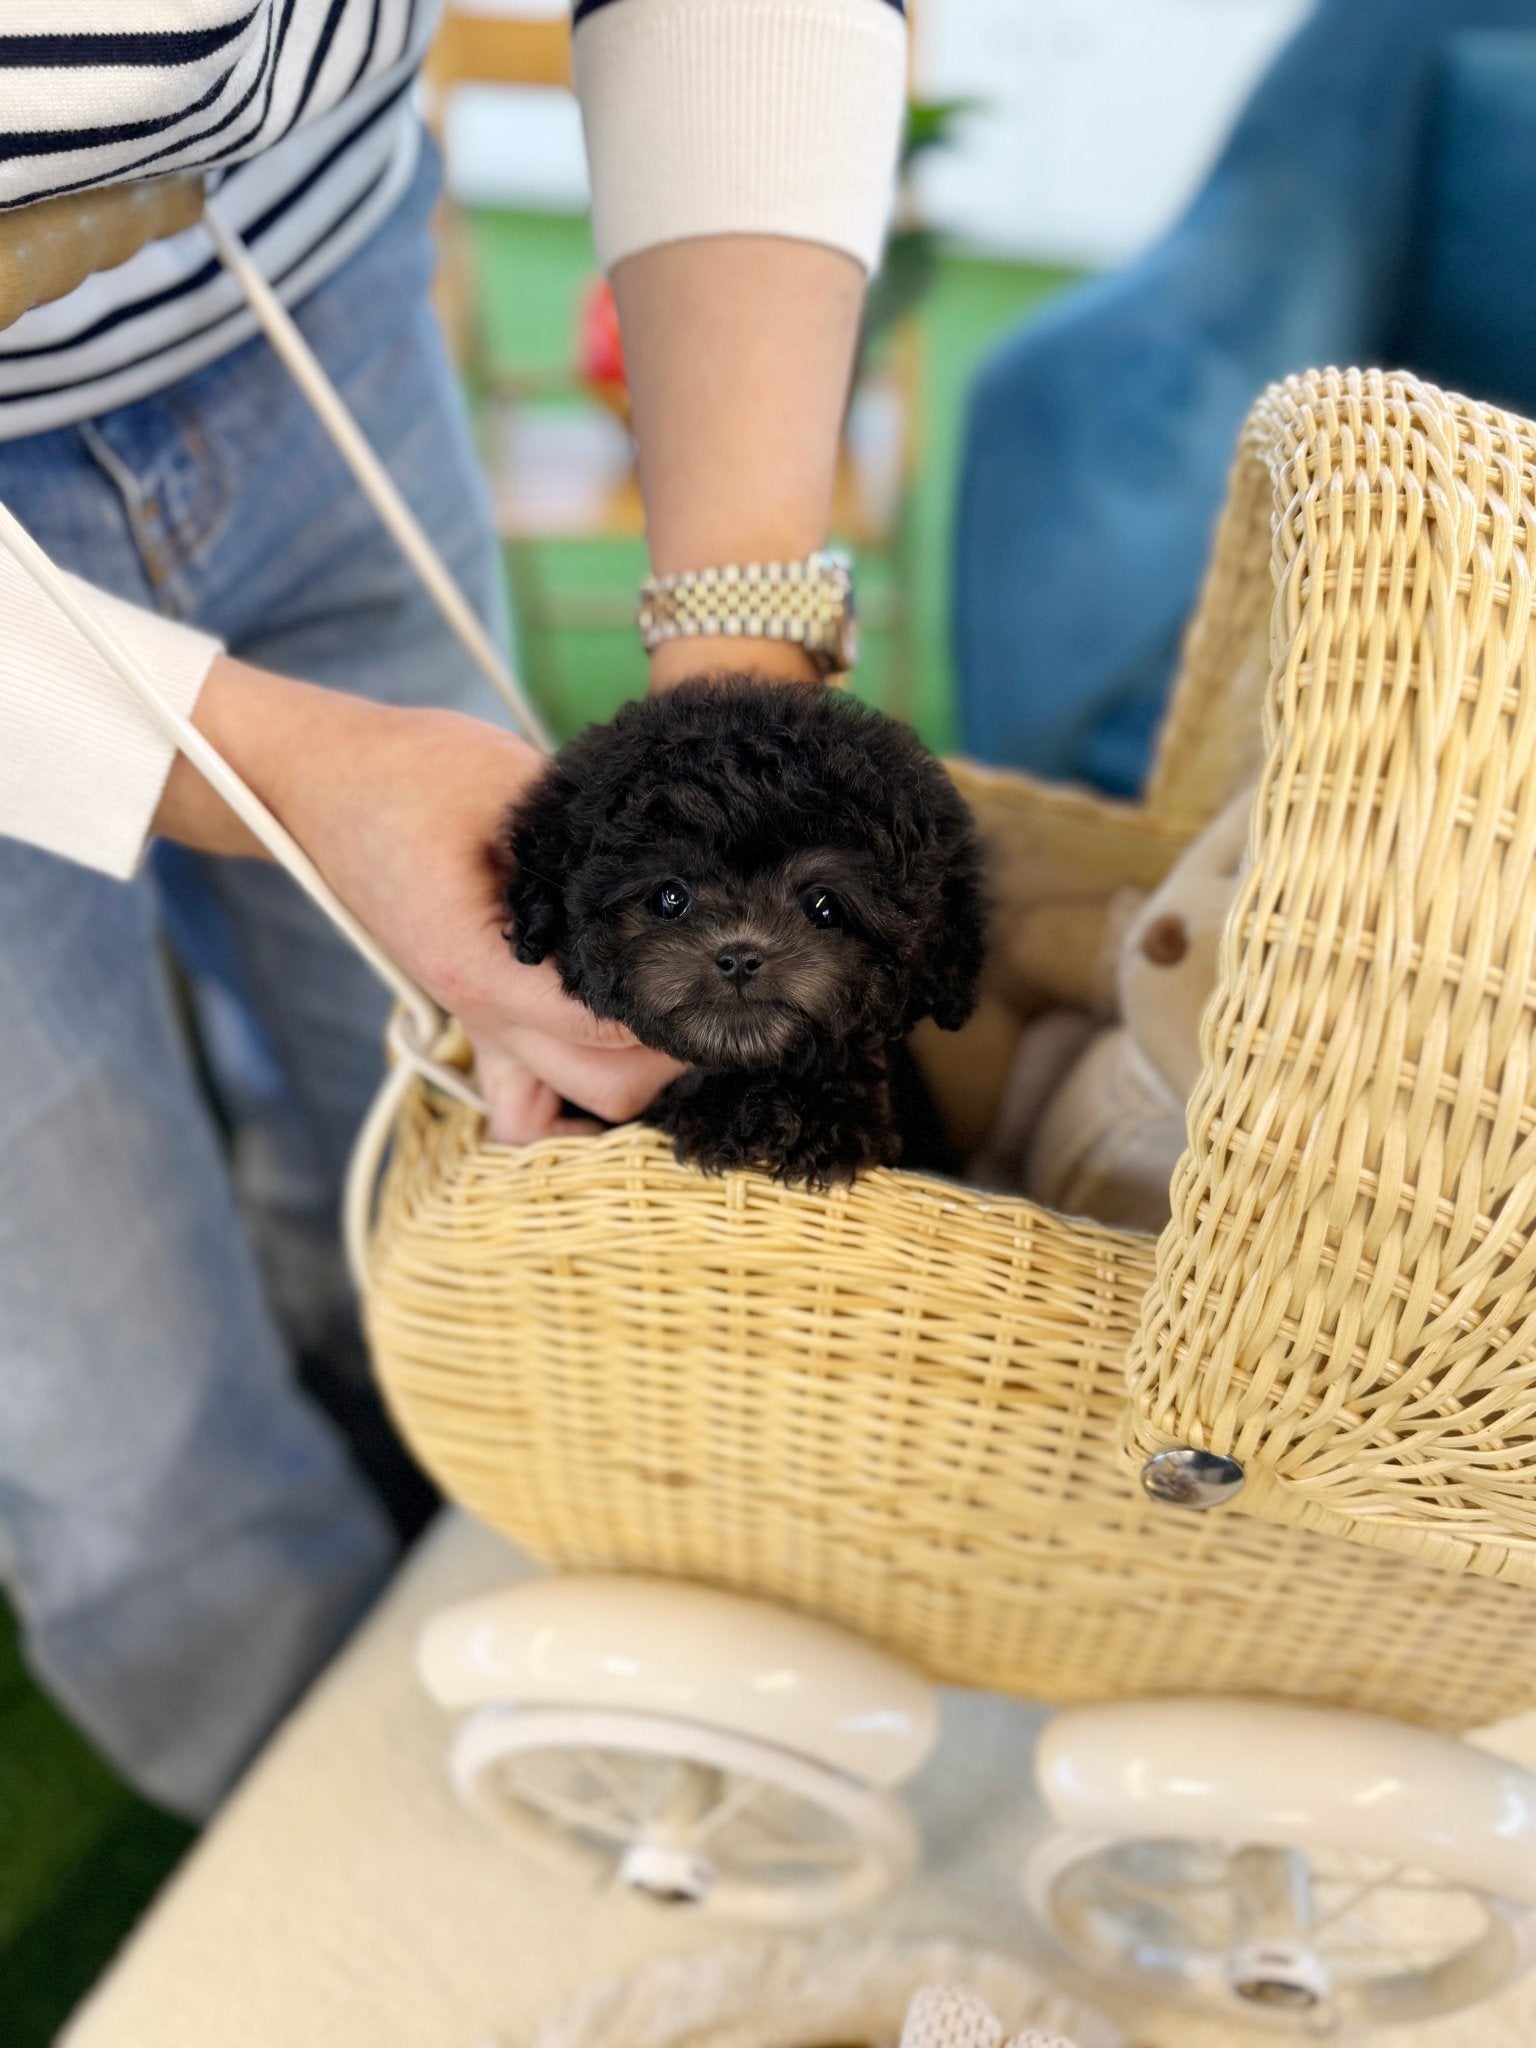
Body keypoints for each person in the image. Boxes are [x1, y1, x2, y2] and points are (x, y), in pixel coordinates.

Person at [0, 0, 907, 1816]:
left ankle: (487, 1600)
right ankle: (362, 1855)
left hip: (308, 296)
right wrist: (295, 770)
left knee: (441, 1165)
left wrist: (731, 667)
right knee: (130, 1422)